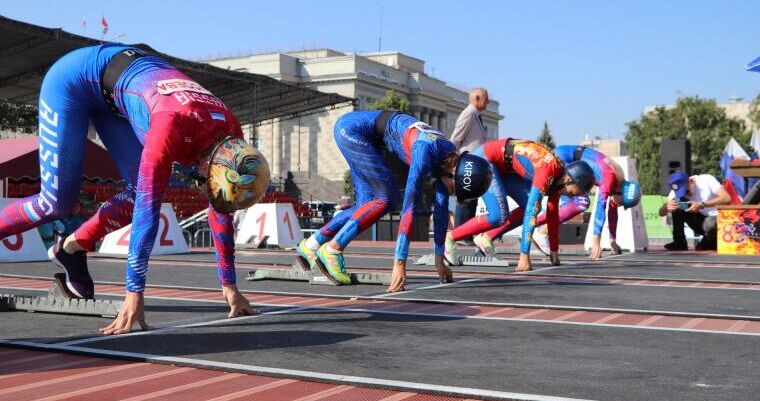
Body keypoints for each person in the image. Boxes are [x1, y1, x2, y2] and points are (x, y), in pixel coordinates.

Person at [0, 44, 270, 335]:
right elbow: (148, 211)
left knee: (130, 196)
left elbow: (221, 210)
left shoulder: (232, 135)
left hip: (117, 93)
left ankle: (71, 247)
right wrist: (133, 295)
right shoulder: (171, 126)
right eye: (209, 187)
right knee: (55, 202)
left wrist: (229, 286)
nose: (206, 193)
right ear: (208, 167)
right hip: (74, 80)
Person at [294, 110, 492, 292]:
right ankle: (332, 249)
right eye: (454, 189)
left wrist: (440, 260)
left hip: (357, 132)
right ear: (453, 174)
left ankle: (311, 244)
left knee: (366, 206)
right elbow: (409, 208)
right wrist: (399, 264)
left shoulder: (447, 157)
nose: (451, 193)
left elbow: (440, 212)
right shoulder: (424, 152)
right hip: (354, 132)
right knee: (387, 199)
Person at [445, 139, 596, 271]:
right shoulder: (548, 170)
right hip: (486, 160)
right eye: (571, 194)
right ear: (569, 179)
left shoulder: (559, 179)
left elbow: (552, 215)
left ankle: (485, 237)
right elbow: (532, 212)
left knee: (526, 208)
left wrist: (554, 251)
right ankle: (450, 237)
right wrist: (524, 256)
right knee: (499, 215)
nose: (569, 196)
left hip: (505, 168)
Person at [471, 145, 641, 259]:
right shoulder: (611, 178)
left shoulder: (618, 179)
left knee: (536, 207)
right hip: (564, 160)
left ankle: (499, 234)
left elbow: (611, 210)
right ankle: (540, 232)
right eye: (622, 204)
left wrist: (612, 241)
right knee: (579, 203)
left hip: (569, 158)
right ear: (621, 192)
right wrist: (596, 240)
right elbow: (602, 207)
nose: (620, 206)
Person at [659, 171, 731, 250]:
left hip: (718, 220)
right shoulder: (675, 191)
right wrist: (665, 207)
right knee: (677, 206)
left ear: (691, 181)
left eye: (686, 191)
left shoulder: (706, 179)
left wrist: (701, 204)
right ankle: (679, 242)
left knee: (709, 222)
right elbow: (661, 213)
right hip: (700, 223)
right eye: (682, 193)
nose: (686, 194)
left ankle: (710, 241)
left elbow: (726, 198)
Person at [451, 88, 490, 232]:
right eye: (486, 99)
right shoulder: (468, 114)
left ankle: (466, 233)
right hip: (466, 165)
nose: (488, 102)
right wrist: (453, 163)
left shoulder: (476, 115)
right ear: (477, 98)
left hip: (474, 165)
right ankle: (461, 233)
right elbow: (456, 138)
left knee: (471, 200)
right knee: (466, 199)